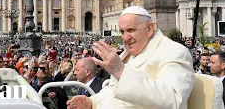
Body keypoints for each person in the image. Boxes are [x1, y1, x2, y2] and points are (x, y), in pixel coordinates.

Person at [67, 6, 195, 109]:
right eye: (122, 32)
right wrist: (91, 102)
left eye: (131, 30)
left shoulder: (174, 51)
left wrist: (120, 71)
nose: (125, 38)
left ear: (149, 28)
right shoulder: (130, 54)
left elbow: (172, 100)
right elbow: (113, 90)